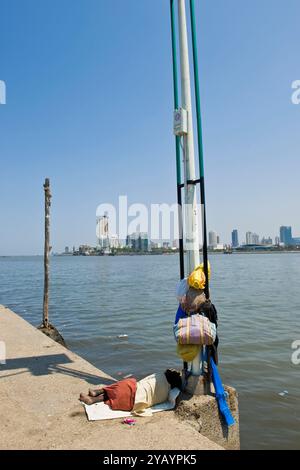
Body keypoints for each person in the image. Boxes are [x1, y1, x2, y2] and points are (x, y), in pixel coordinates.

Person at [79, 369, 182, 415]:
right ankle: (94, 397)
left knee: (129, 383)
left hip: (132, 397)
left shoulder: (159, 376)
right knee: (120, 393)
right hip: (132, 405)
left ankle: (96, 394)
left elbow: (142, 383)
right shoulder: (166, 395)